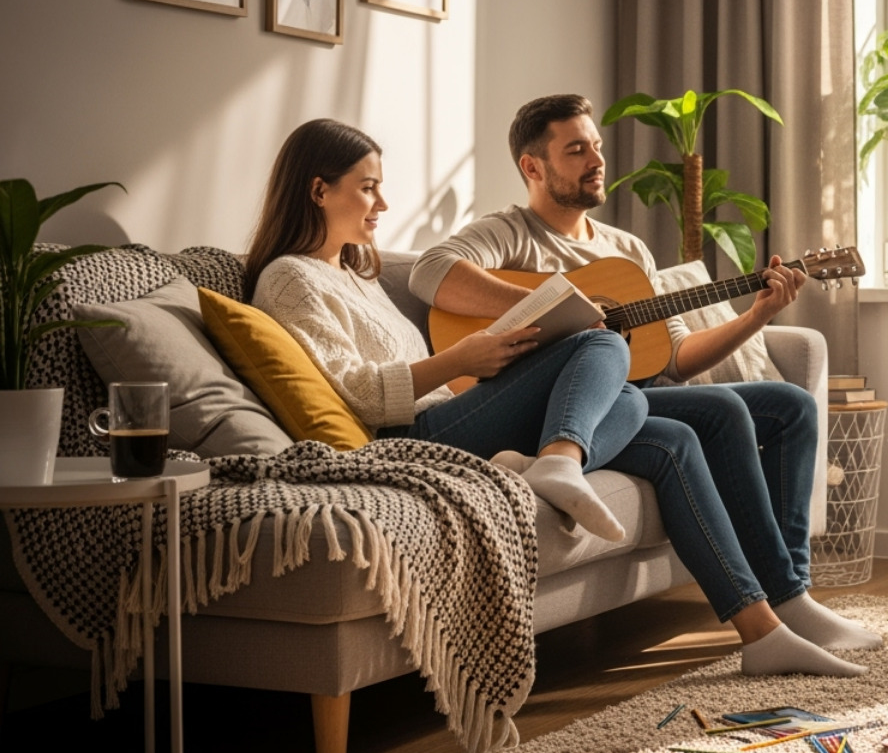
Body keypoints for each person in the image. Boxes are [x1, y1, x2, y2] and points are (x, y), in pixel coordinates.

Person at [406, 94, 882, 678]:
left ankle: (792, 597)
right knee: (718, 415)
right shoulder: (510, 234)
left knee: (787, 406)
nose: (595, 159)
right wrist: (559, 305)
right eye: (576, 149)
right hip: (536, 402)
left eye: (596, 147)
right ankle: (776, 605)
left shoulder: (626, 251)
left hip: (626, 394)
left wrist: (756, 315)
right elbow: (431, 273)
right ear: (533, 167)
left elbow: (676, 358)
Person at [245, 118, 645, 543]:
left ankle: (539, 466)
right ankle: (557, 465)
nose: (382, 203)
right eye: (368, 188)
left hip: (443, 416)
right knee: (602, 342)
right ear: (319, 191)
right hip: (405, 438)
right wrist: (460, 360)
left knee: (631, 400)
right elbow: (359, 393)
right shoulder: (289, 279)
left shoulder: (355, 275)